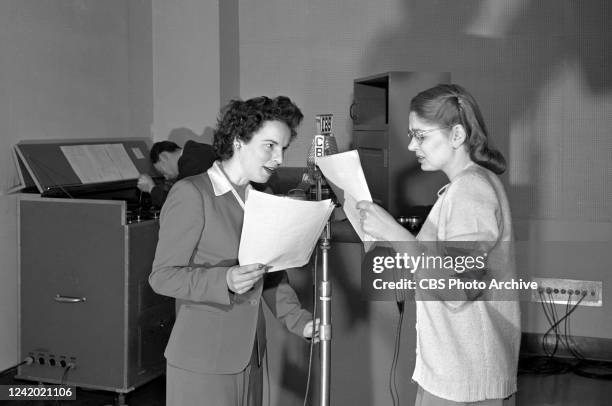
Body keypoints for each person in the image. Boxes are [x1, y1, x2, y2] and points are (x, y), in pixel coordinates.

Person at [356, 84, 520, 405]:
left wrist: (393, 231)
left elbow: (458, 289)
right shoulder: (465, 188)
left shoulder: (470, 193)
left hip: (465, 379)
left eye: (420, 136)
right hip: (456, 371)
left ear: (457, 135)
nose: (410, 145)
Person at [149, 96, 319, 406]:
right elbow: (162, 277)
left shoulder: (260, 198)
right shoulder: (192, 194)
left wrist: (301, 322)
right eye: (269, 146)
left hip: (250, 354)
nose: (279, 158)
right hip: (202, 359)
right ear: (239, 140)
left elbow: (269, 277)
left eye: (283, 148)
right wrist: (223, 280)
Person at [136, 140, 218, 207]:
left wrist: (151, 188)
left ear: (164, 157)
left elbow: (176, 203)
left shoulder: (190, 163)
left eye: (162, 172)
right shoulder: (196, 151)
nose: (166, 177)